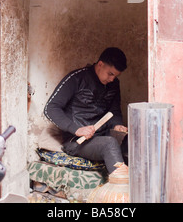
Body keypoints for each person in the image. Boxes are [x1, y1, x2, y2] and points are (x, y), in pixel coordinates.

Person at [44, 47, 128, 175]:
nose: (112, 79)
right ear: (100, 64)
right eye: (110, 74)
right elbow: (50, 108)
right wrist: (76, 129)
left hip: (103, 135)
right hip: (77, 140)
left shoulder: (114, 84)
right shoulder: (76, 78)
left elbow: (114, 111)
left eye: (115, 76)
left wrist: (117, 125)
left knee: (135, 139)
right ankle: (121, 191)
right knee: (109, 144)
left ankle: (141, 187)